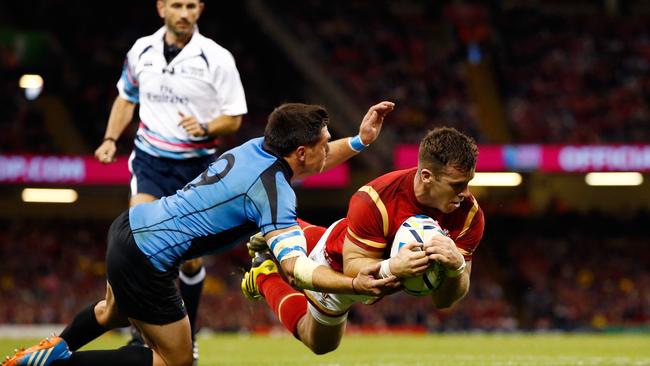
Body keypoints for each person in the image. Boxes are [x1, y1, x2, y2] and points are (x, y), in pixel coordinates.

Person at [2, 101, 398, 366]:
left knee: (112, 313)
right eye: (324, 143)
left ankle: (56, 347)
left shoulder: (257, 147)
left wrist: (361, 141)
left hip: (129, 227)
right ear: (300, 153)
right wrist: (354, 283)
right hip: (147, 260)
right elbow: (296, 269)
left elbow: (316, 160)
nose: (328, 149)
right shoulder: (275, 195)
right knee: (174, 361)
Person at [242, 127, 484, 354]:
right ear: (427, 176)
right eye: (457, 185)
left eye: (468, 182)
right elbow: (353, 269)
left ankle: (279, 231)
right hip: (338, 263)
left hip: (365, 258)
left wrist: (456, 267)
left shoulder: (470, 215)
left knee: (322, 239)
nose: (465, 193)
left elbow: (445, 300)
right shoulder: (375, 199)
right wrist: (391, 268)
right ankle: (264, 275)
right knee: (319, 343)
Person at [93, 0, 247, 359]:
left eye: (191, 5)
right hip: (151, 162)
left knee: (189, 261)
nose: (184, 12)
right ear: (161, 7)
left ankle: (187, 335)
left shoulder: (217, 58)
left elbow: (235, 117)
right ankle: (138, 334)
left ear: (200, 10)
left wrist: (206, 126)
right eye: (176, 4)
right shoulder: (141, 51)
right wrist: (110, 139)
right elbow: (125, 98)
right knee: (138, 245)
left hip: (196, 167)